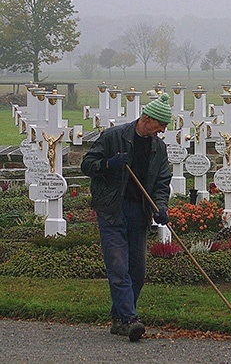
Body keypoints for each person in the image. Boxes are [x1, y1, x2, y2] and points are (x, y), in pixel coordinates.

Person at [81, 93, 173, 342]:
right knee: (118, 266)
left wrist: (160, 207)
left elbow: (162, 182)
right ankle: (130, 319)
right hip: (112, 209)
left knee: (137, 271)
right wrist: (109, 164)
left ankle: (119, 318)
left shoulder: (158, 148)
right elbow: (87, 164)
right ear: (146, 118)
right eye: (161, 125)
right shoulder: (114, 137)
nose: (162, 130)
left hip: (138, 212)